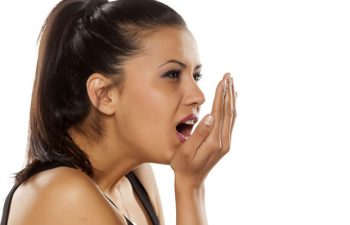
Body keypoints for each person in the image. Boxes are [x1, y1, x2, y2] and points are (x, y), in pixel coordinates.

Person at [1, 0, 236, 224]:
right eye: (172, 74)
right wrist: (190, 188)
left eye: (196, 76)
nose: (198, 96)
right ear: (104, 95)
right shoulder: (64, 194)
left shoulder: (136, 178)